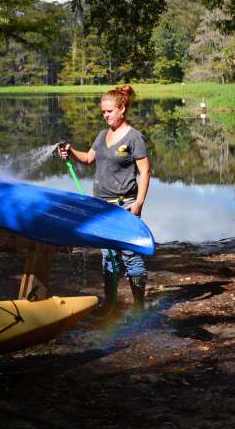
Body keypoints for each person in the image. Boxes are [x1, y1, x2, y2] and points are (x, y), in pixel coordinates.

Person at [58, 85, 151, 310]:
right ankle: (110, 304)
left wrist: (138, 203)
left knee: (131, 256)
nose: (105, 115)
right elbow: (89, 158)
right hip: (100, 206)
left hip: (125, 206)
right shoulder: (102, 135)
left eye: (109, 111)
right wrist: (70, 152)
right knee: (108, 257)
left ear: (122, 109)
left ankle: (139, 307)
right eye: (103, 112)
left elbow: (145, 172)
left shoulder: (134, 138)